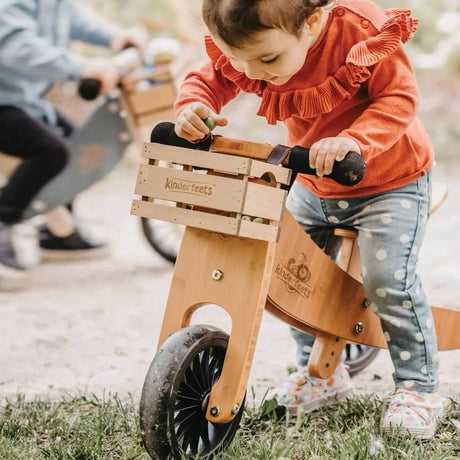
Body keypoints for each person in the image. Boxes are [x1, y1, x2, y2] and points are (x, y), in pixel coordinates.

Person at [172, 0, 449, 439]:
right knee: (291, 274)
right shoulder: (255, 46)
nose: (256, 73)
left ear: (313, 22)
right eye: (243, 61)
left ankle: (419, 387)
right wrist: (193, 106)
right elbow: (209, 77)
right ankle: (320, 374)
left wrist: (353, 140)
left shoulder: (361, 32)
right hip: (315, 182)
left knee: (386, 281)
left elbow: (399, 98)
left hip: (391, 180)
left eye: (268, 59)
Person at [0, 0, 147, 288]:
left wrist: (114, 37)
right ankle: (4, 217)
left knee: (76, 143)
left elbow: (75, 19)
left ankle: (58, 233)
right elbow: (17, 46)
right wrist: (81, 67)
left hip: (25, 101)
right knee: (51, 152)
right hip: (4, 103)